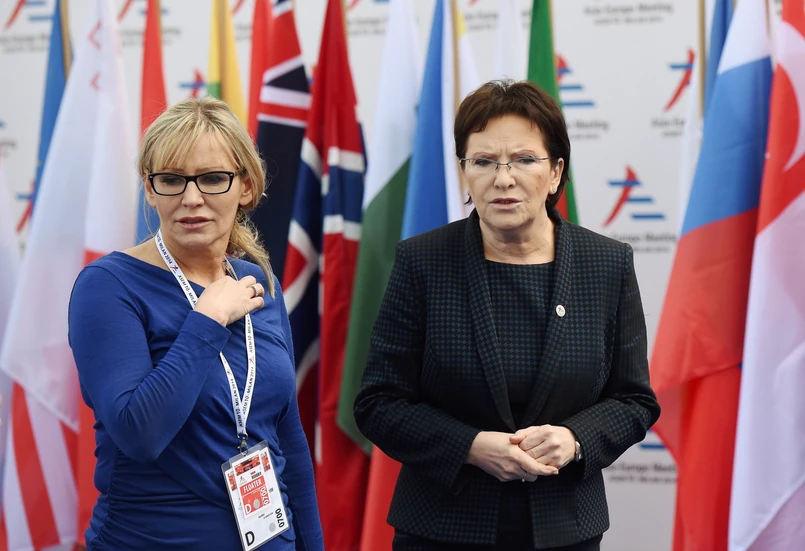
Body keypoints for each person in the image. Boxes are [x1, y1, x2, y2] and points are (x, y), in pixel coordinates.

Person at [353, 80, 661, 551]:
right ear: (463, 171)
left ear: (555, 173)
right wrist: (470, 447)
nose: (503, 179)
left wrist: (575, 439)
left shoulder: (606, 264)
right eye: (483, 162)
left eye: (523, 159)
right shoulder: (423, 262)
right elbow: (378, 403)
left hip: (564, 531)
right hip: (442, 529)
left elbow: (634, 400)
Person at [68, 97, 323, 551]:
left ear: (246, 186)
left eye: (212, 178)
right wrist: (207, 318)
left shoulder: (257, 282)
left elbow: (288, 438)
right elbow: (139, 433)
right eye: (171, 180)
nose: (191, 198)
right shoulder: (108, 285)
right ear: (149, 189)